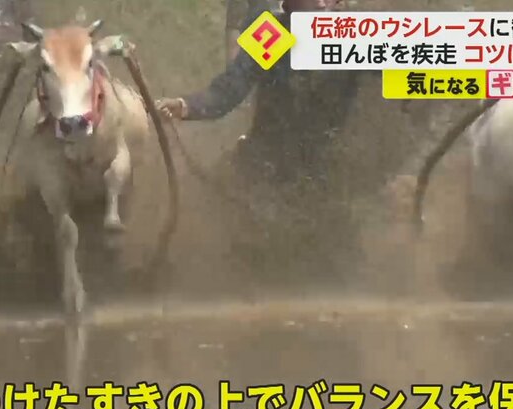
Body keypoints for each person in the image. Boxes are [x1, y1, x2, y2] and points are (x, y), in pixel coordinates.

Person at [157, 0, 371, 287]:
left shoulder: (356, 35)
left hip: (324, 169)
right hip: (266, 161)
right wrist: (185, 107)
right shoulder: (272, 32)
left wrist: (448, 80)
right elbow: (228, 90)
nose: (321, 4)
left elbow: (411, 71)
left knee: (343, 265)